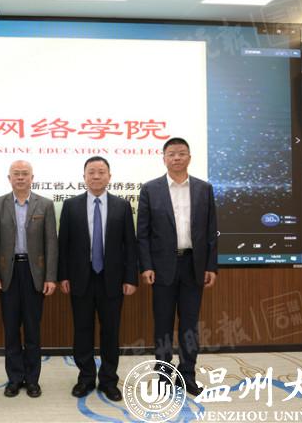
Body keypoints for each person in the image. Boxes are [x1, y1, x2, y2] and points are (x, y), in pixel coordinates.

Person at [137, 137, 218, 396]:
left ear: (189, 158)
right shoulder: (150, 189)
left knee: (190, 324)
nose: (177, 158)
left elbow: (211, 231)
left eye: (181, 153)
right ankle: (163, 375)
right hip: (162, 267)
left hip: (194, 265)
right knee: (162, 324)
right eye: (171, 154)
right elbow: (143, 234)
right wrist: (146, 266)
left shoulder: (204, 189)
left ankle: (187, 375)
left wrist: (211, 266)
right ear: (164, 159)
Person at [58, 156, 138, 402]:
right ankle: (85, 378)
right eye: (91, 172)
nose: (96, 176)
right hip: (80, 278)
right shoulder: (70, 206)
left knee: (110, 331)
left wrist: (130, 278)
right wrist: (63, 276)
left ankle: (108, 380)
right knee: (82, 330)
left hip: (112, 279)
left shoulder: (122, 206)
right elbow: (64, 245)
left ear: (109, 177)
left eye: (101, 172)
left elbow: (130, 245)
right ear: (84, 176)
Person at [0, 160, 58, 398]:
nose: (20, 177)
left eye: (24, 174)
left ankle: (33, 379)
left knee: (32, 329)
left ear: (32, 178)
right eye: (16, 174)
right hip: (7, 273)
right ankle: (15, 379)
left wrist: (50, 277)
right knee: (11, 330)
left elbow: (51, 243)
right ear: (9, 178)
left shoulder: (45, 205)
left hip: (34, 273)